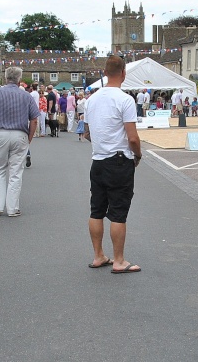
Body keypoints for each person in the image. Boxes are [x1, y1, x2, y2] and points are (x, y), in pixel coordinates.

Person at [84, 55, 142, 274]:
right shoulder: (125, 100)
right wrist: (137, 155)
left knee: (96, 210)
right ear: (124, 73)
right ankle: (119, 260)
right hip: (119, 160)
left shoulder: (91, 99)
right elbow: (133, 138)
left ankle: (98, 255)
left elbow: (87, 133)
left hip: (97, 160)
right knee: (118, 211)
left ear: (104, 72)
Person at [0, 67, 38, 217]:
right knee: (16, 172)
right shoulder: (26, 96)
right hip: (20, 133)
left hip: (0, 133)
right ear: (20, 79)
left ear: (5, 78)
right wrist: (29, 138)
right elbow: (34, 119)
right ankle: (13, 208)